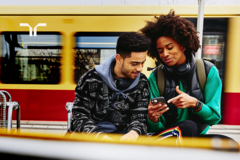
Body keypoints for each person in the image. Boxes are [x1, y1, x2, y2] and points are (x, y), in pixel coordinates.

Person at [140, 10, 231, 143]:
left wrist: (195, 104)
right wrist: (152, 118)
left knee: (228, 144)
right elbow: (153, 127)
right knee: (188, 127)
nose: (164, 54)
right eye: (160, 51)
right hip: (165, 136)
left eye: (169, 47)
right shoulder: (156, 77)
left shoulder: (208, 71)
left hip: (194, 135)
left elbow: (214, 117)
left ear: (182, 45)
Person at [70, 32, 151, 141]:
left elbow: (140, 118)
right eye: (134, 64)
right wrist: (99, 137)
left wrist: (133, 133)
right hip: (91, 138)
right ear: (119, 59)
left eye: (143, 63)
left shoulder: (142, 82)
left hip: (125, 137)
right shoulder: (90, 79)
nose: (140, 68)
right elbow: (79, 117)